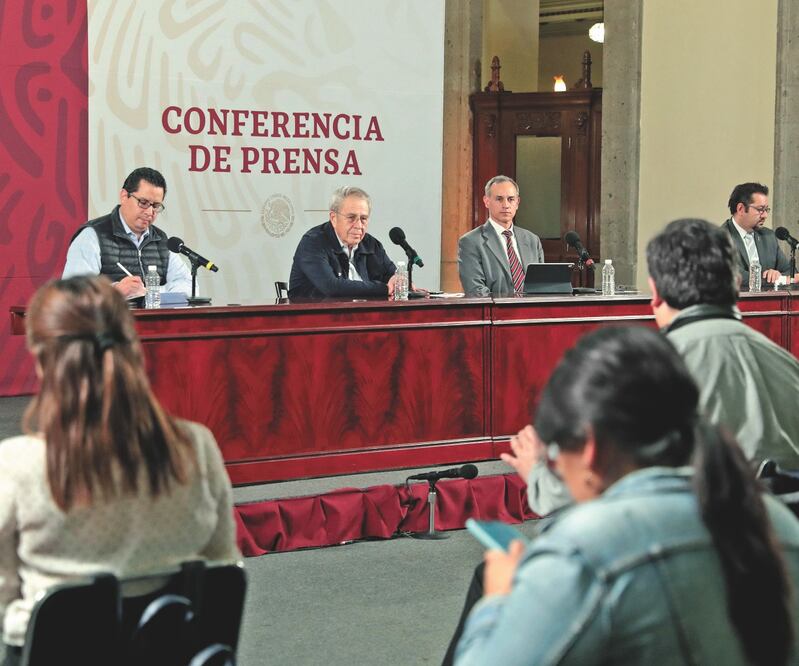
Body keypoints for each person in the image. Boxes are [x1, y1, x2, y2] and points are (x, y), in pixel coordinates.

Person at [454, 326, 799, 665]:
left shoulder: (583, 552)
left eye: (556, 455)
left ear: (590, 449)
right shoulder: (774, 519)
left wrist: (497, 600)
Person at [0, 276, 238, 663]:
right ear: (133, 346)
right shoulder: (197, 446)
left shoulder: (16, 465)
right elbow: (223, 573)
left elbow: (6, 604)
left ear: (44, 359)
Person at [62, 167, 192, 298]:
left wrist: (149, 293)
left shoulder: (161, 240)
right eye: (143, 202)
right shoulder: (92, 235)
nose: (149, 212)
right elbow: (72, 292)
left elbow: (188, 285)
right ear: (124, 196)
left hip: (155, 318)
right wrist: (116, 292)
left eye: (156, 206)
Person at [288, 186, 397, 299]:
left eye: (363, 218)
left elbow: (393, 276)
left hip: (363, 314)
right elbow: (331, 287)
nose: (359, 225)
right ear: (333, 218)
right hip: (314, 315)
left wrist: (399, 281)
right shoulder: (312, 242)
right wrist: (384, 288)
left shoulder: (371, 244)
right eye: (351, 217)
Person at [457, 176, 544, 296]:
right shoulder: (470, 242)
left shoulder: (532, 240)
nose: (506, 205)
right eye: (499, 199)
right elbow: (476, 291)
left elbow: (542, 286)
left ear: (517, 202)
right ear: (487, 201)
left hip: (532, 312)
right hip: (496, 313)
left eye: (511, 199)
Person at [721, 182, 792, 288]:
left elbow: (790, 271)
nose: (765, 215)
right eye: (760, 210)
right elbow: (733, 277)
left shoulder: (769, 236)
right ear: (740, 209)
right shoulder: (718, 239)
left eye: (766, 210)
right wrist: (772, 279)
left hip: (770, 303)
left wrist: (777, 275)